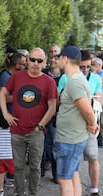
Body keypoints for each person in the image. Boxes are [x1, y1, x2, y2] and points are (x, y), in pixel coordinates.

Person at [42, 46, 98, 196]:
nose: (55, 60)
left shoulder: (74, 82)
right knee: (73, 176)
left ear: (65, 59)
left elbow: (87, 110)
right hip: (73, 138)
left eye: (58, 57)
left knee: (64, 180)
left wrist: (92, 124)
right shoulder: (77, 80)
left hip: (70, 139)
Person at [0, 47, 57, 196]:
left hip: (36, 132)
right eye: (32, 59)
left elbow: (52, 107)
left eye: (39, 60)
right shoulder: (17, 77)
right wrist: (5, 113)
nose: (35, 63)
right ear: (27, 60)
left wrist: (41, 125)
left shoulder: (49, 81)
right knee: (17, 167)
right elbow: (2, 93)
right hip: (17, 130)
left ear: (44, 63)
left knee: (35, 167)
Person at [79, 50, 103, 196]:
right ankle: (73, 193)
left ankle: (95, 190)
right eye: (82, 67)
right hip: (73, 126)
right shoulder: (66, 77)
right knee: (72, 160)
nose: (85, 70)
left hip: (89, 124)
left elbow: (100, 100)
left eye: (88, 67)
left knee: (93, 157)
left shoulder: (95, 78)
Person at [42, 44, 61, 180]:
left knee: (54, 143)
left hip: (58, 116)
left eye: (56, 53)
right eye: (51, 52)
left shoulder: (65, 76)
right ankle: (40, 170)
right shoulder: (43, 73)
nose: (53, 55)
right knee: (41, 143)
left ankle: (56, 174)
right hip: (42, 114)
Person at [91, 57, 103, 148]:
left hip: (101, 98)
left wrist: (94, 74)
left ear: (99, 65)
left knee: (100, 118)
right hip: (91, 97)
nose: (91, 66)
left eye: (93, 65)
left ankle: (100, 138)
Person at [0, 125, 15, 196]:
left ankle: (0, 191)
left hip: (0, 157)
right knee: (16, 174)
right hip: (10, 156)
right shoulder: (12, 130)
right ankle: (18, 190)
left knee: (1, 174)